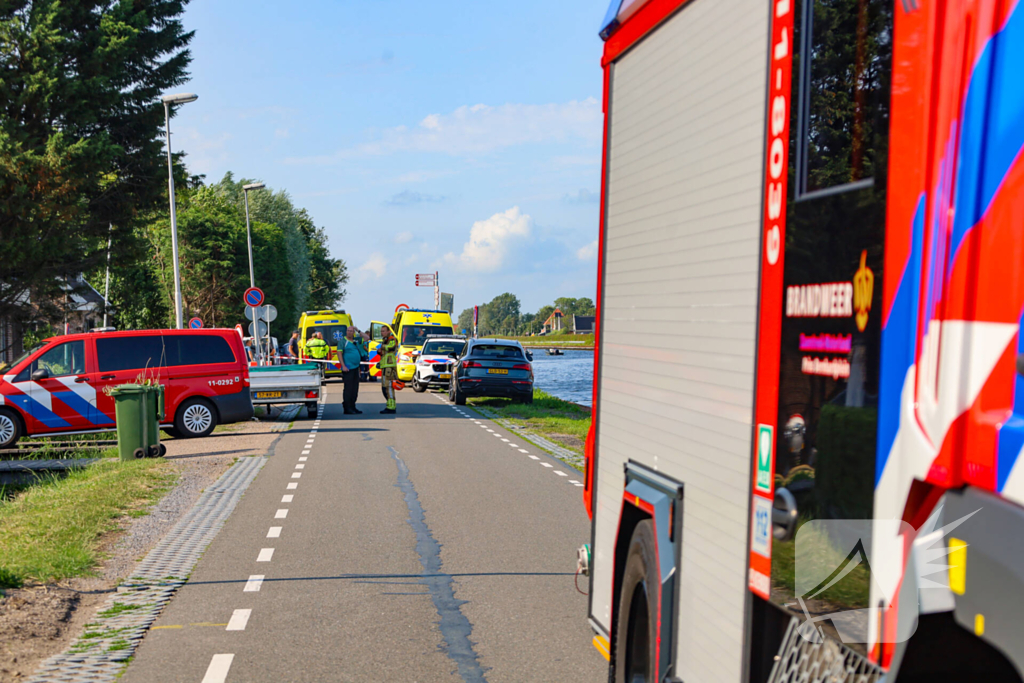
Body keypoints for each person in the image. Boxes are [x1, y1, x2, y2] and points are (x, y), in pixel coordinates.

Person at [339, 327, 368, 414]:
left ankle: (353, 406)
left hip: (356, 368)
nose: (349, 332)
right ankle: (347, 407)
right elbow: (339, 353)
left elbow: (367, 338)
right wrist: (343, 365)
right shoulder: (343, 341)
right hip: (348, 368)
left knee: (355, 388)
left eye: (351, 331)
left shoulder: (356, 340)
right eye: (348, 331)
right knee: (348, 388)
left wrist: (358, 330)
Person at [376, 325, 399, 414]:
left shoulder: (392, 339)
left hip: (389, 366)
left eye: (384, 331)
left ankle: (391, 407)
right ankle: (389, 405)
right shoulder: (385, 340)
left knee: (388, 386)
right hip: (385, 366)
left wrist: (382, 347)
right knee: (384, 387)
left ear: (389, 331)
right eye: (381, 331)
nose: (382, 333)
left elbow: (391, 347)